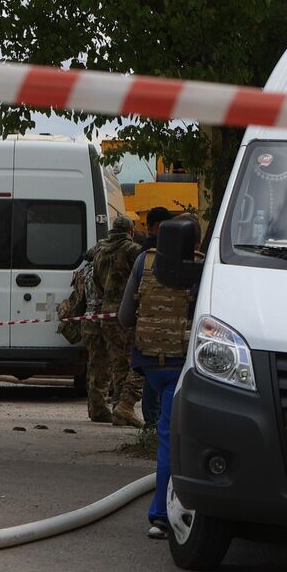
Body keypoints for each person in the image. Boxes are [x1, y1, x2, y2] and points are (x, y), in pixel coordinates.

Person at [118, 214, 203, 539]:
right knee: (173, 441)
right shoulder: (203, 267)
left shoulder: (143, 260)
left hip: (148, 364)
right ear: (195, 241)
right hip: (182, 367)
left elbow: (126, 317)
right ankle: (161, 516)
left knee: (161, 430)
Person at [92, 215, 144, 427]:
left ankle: (118, 409)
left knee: (117, 362)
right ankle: (125, 405)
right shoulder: (132, 250)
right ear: (130, 231)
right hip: (126, 312)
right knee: (136, 359)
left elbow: (96, 280)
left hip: (106, 312)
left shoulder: (99, 251)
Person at [138, 206, 175, 426]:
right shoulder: (151, 253)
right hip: (157, 324)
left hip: (150, 323)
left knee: (152, 375)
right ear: (153, 227)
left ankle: (152, 424)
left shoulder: (146, 252)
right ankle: (153, 422)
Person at [67, 249, 110, 423]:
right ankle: (99, 408)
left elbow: (79, 299)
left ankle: (94, 406)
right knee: (103, 367)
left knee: (93, 365)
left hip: (87, 320)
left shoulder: (83, 272)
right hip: (101, 320)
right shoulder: (105, 270)